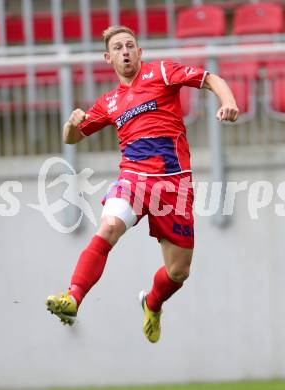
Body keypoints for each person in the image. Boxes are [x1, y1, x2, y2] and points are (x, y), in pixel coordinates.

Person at [46, 25, 239, 343]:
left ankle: (152, 303)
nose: (125, 51)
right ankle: (73, 298)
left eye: (130, 45)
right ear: (108, 57)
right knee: (108, 228)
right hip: (133, 178)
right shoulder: (109, 102)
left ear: (139, 52)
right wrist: (71, 123)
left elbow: (210, 79)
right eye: (118, 47)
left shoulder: (163, 71)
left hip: (173, 186)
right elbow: (72, 138)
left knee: (178, 272)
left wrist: (228, 100)